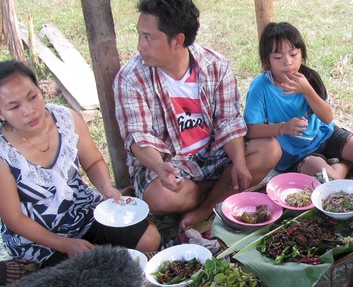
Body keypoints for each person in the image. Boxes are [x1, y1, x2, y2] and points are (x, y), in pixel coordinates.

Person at [113, 0, 281, 233]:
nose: (140, 46)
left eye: (149, 38)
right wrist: (159, 166)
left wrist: (240, 163)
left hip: (214, 153)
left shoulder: (216, 65)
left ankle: (203, 209)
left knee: (270, 149)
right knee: (160, 197)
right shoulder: (131, 78)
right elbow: (138, 136)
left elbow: (228, 120)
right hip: (170, 163)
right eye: (140, 36)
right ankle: (223, 192)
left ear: (178, 40)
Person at [0, 60, 161, 268]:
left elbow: (93, 161)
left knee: (149, 239)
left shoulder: (66, 119)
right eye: (14, 107)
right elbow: (14, 219)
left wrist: (105, 187)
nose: (29, 110)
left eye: (33, 97)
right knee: (88, 278)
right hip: (39, 238)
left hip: (82, 212)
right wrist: (65, 244)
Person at [244, 22, 353, 179]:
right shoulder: (261, 87)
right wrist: (283, 128)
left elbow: (327, 118)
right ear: (267, 61)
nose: (287, 62)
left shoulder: (309, 78)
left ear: (302, 54)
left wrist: (307, 90)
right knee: (329, 180)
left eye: (293, 54)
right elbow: (250, 129)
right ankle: (347, 162)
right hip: (297, 153)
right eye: (278, 57)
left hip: (324, 134)